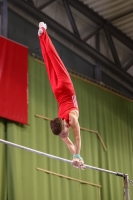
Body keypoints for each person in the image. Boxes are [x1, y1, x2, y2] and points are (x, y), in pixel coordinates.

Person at [38, 22, 85, 169]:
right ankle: (41, 35)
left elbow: (76, 139)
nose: (64, 136)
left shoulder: (71, 118)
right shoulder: (63, 125)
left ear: (64, 124)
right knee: (49, 62)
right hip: (58, 91)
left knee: (53, 59)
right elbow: (72, 142)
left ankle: (43, 32)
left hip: (65, 87)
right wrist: (78, 159)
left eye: (63, 134)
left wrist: (76, 156)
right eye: (62, 135)